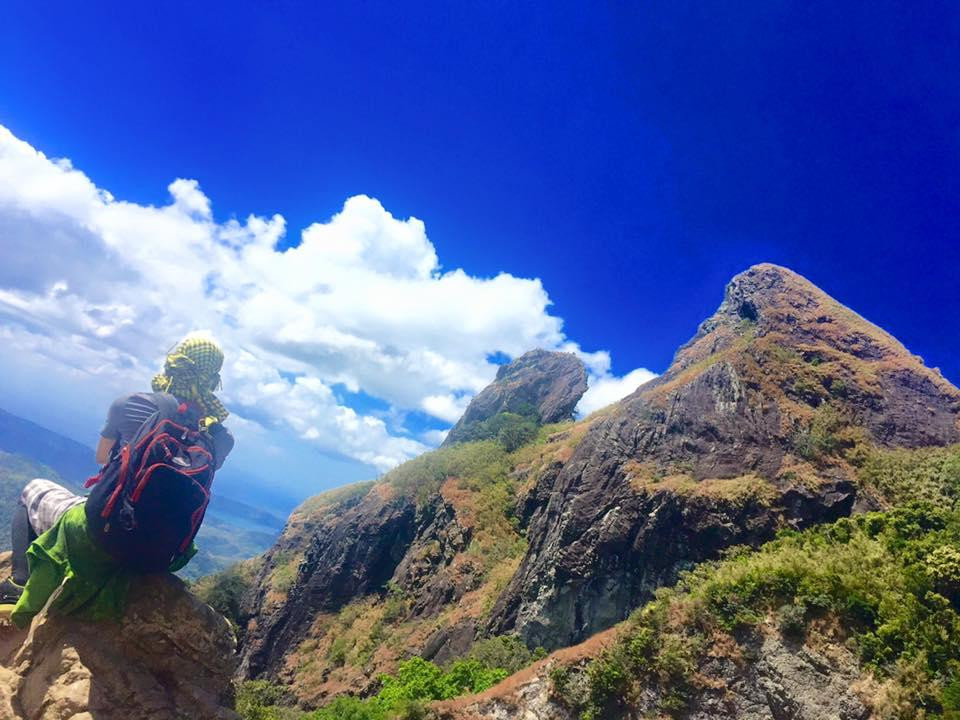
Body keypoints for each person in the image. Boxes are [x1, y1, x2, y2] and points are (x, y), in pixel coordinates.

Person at [0, 336, 234, 625]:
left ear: (174, 364)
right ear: (213, 379)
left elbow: (102, 457)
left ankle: (19, 586)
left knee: (33, 489)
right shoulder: (222, 439)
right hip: (158, 556)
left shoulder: (133, 403)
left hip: (104, 530)